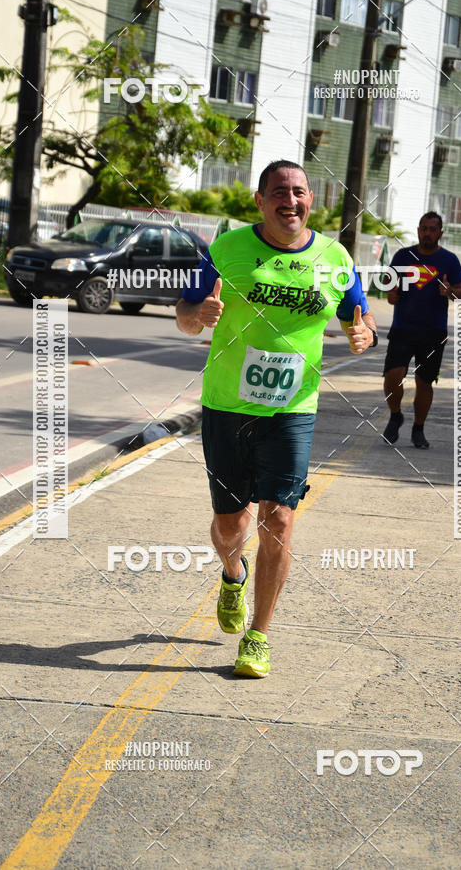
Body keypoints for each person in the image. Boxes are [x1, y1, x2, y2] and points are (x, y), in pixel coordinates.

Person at [175, 160, 377, 678]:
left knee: (279, 519)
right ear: (260, 201)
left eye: (300, 191)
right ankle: (231, 573)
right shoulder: (226, 250)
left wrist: (364, 334)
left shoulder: (334, 258)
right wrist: (197, 316)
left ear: (312, 200)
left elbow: (360, 314)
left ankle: (258, 636)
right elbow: (184, 314)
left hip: (292, 408)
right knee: (230, 524)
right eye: (280, 192)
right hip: (227, 404)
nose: (291, 200)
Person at [382, 212, 461, 448]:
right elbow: (388, 290)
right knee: (392, 377)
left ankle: (418, 429)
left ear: (440, 233)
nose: (427, 233)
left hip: (433, 332)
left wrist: (450, 291)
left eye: (432, 229)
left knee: (424, 382)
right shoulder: (402, 255)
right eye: (423, 228)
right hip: (403, 328)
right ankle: (395, 415)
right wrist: (392, 293)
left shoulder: (449, 260)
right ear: (418, 230)